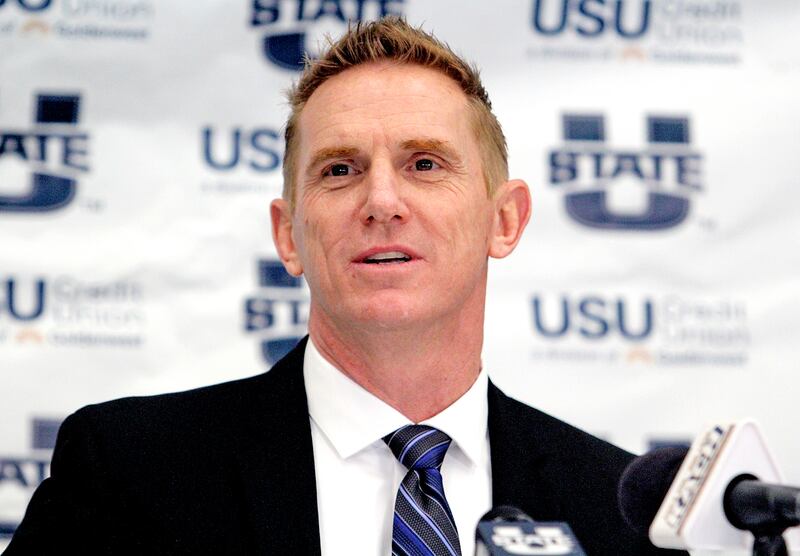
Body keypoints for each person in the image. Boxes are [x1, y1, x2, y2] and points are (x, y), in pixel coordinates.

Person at [5, 18, 684, 556]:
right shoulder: (131, 471)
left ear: (504, 221)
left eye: (424, 163)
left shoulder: (620, 511)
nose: (381, 201)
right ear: (288, 236)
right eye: (338, 171)